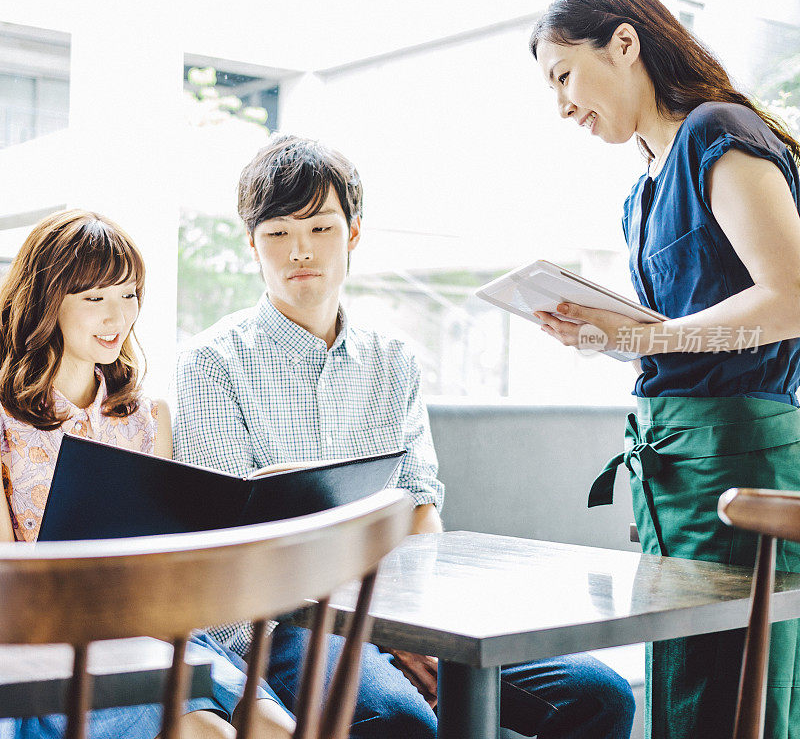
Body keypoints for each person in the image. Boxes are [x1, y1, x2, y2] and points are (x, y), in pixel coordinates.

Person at [173, 134, 636, 739]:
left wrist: (416, 629)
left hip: (397, 603)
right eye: (277, 233)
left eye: (319, 228)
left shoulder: (393, 361)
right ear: (251, 244)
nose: (299, 251)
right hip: (281, 621)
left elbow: (420, 510)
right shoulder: (211, 363)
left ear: (354, 234)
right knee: (397, 720)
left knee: (600, 697)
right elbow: (231, 542)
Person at [530, 0, 800, 739]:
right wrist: (609, 335)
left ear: (624, 43)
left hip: (736, 460)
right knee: (682, 692)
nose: (563, 105)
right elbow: (701, 331)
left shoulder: (718, 132)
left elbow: (792, 299)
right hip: (672, 464)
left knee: (735, 692)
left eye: (565, 76)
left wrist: (645, 337)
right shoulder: (642, 188)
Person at [0, 209, 296, 739]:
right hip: (52, 656)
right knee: (211, 734)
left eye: (129, 294)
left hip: (161, 635)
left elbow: (171, 561)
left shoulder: (147, 415)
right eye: (95, 299)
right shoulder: (4, 424)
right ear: (48, 302)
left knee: (283, 729)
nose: (118, 316)